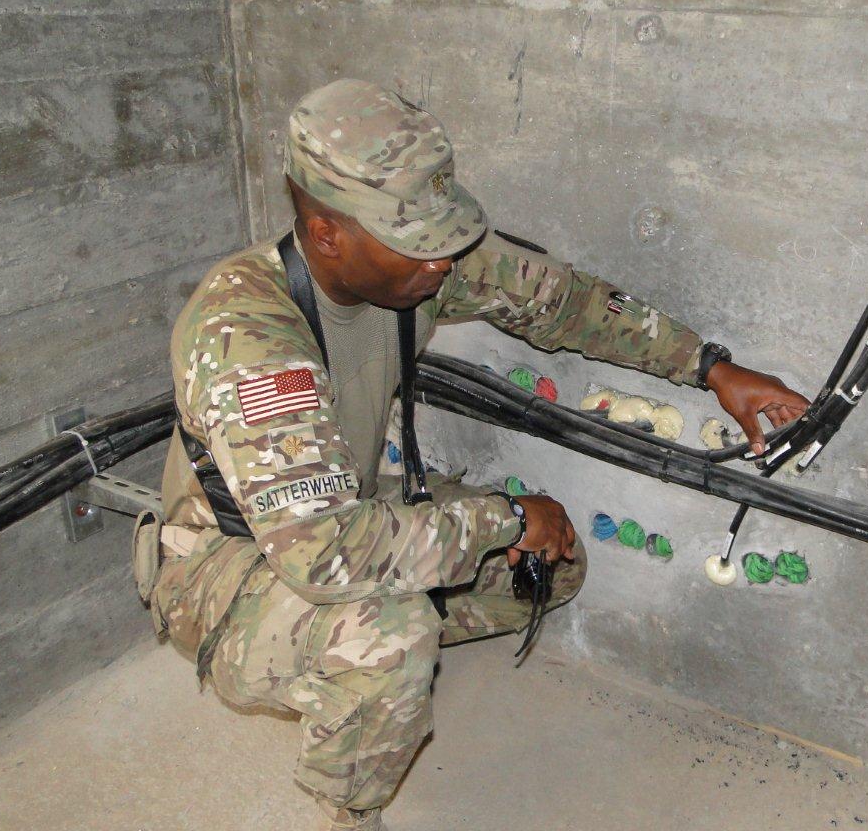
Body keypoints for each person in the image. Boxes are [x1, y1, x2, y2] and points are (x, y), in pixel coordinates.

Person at [147, 78, 809, 830]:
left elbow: (563, 301)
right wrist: (500, 519)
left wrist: (712, 368)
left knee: (549, 570)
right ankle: (350, 805)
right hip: (228, 566)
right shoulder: (249, 337)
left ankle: (390, 638)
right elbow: (324, 555)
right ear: (328, 233)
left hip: (340, 514)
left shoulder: (413, 268)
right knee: (388, 634)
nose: (444, 265)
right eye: (420, 246)